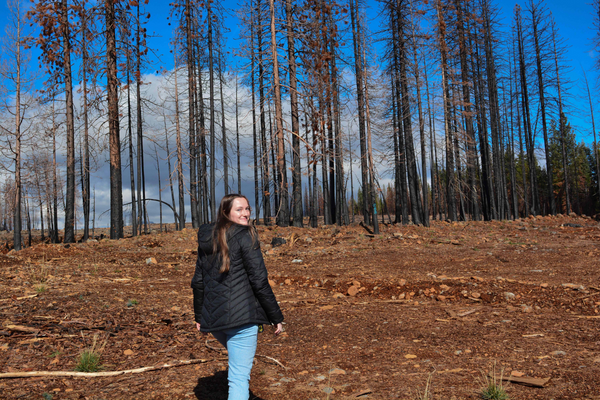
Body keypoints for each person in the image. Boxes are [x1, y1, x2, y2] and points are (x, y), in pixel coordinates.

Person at [191, 194, 284, 400]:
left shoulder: (207, 238)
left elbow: (198, 281)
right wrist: (275, 316)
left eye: (248, 209)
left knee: (237, 371)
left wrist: (200, 317)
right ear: (226, 213)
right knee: (239, 378)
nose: (246, 214)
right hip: (242, 320)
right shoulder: (246, 235)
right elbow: (259, 280)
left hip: (216, 322)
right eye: (239, 209)